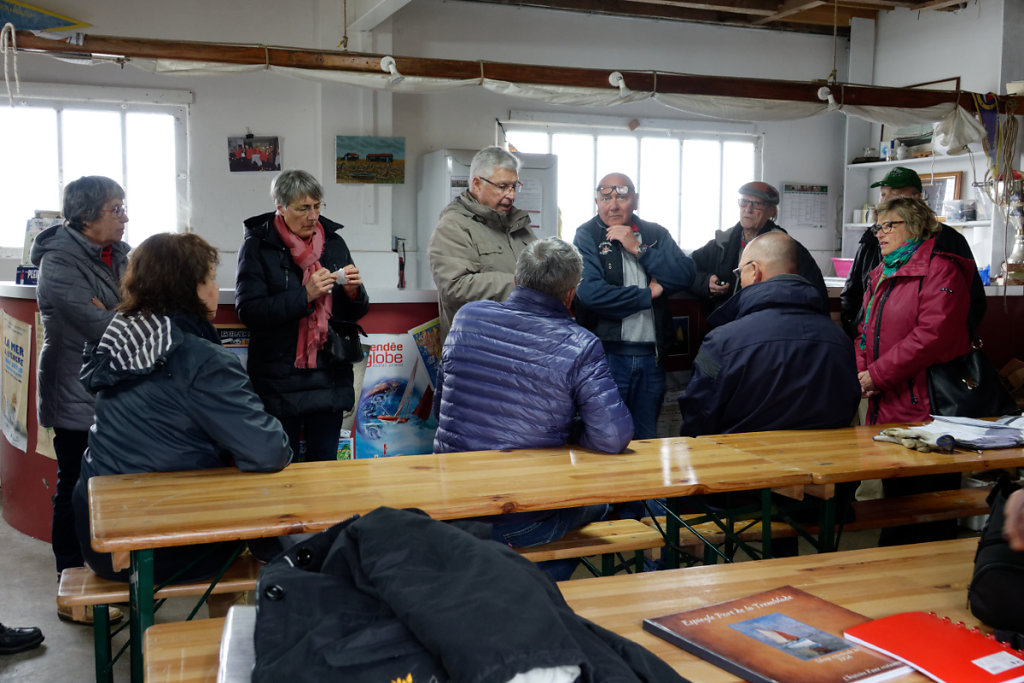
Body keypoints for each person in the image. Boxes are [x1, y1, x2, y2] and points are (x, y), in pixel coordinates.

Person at [74, 233, 292, 582]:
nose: (216, 288)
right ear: (191, 287)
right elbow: (268, 451)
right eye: (211, 278)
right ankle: (232, 632)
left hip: (97, 533)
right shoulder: (200, 357)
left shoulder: (122, 337)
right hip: (162, 545)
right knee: (271, 528)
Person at [433, 237, 633, 580]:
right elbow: (613, 437)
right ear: (571, 293)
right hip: (518, 521)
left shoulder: (467, 317)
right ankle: (541, 586)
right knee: (600, 504)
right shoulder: (580, 344)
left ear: (515, 278)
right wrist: (570, 432)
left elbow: (442, 408)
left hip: (450, 506)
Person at [30, 175, 130, 623]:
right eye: (115, 209)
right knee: (74, 489)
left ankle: (105, 581)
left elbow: (147, 312)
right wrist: (120, 312)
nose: (125, 217)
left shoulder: (122, 255)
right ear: (87, 215)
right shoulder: (58, 260)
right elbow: (104, 328)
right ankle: (71, 590)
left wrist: (114, 309)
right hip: (73, 392)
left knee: (108, 491)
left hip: (113, 394)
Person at [856, 196, 974, 546]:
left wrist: (876, 375)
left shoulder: (941, 269)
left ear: (916, 226)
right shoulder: (882, 271)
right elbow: (864, 331)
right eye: (878, 226)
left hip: (928, 406)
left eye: (888, 225)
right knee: (897, 501)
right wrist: (865, 375)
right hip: (888, 401)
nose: (880, 233)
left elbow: (931, 335)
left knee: (930, 506)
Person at [236, 170, 369, 462]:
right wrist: (305, 295)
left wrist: (353, 293)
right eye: (303, 208)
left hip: (330, 373)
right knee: (284, 468)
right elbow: (250, 311)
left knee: (324, 470)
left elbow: (358, 311)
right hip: (279, 377)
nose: (313, 216)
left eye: (317, 206)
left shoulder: (334, 243)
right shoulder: (259, 245)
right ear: (281, 208)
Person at [678, 231, 860, 437]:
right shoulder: (839, 340)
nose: (740, 279)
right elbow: (848, 406)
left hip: (742, 463)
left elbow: (697, 418)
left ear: (755, 271)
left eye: (740, 272)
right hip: (826, 465)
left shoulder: (722, 342)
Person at [573, 173, 695, 440]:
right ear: (597, 202)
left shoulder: (654, 234)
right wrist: (647, 295)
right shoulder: (587, 236)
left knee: (647, 438)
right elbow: (591, 294)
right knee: (607, 437)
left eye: (622, 197)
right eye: (606, 198)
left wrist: (638, 249)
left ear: (635, 200)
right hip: (606, 358)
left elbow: (685, 275)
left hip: (652, 358)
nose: (613, 205)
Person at [840, 166, 986, 340]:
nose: (886, 200)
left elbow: (972, 301)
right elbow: (852, 294)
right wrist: (856, 336)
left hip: (928, 353)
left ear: (917, 199)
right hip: (872, 346)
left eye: (896, 193)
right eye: (883, 194)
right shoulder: (872, 239)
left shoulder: (946, 241)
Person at [428, 146, 535, 343]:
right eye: (502, 186)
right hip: (475, 353)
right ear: (477, 184)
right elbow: (455, 287)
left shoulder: (520, 224)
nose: (511, 195)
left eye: (514, 186)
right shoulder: (453, 226)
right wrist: (521, 285)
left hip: (519, 347)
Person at [688, 181, 827, 311]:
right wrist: (705, 282)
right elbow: (685, 268)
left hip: (769, 326)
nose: (748, 209)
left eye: (757, 204)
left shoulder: (788, 249)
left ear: (771, 211)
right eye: (744, 202)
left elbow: (815, 292)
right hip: (726, 326)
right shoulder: (722, 243)